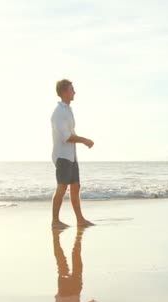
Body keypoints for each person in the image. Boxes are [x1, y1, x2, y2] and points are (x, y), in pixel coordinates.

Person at [51, 79, 95, 228]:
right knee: (62, 188)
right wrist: (84, 140)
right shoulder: (58, 113)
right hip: (62, 156)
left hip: (72, 156)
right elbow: (66, 137)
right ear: (64, 92)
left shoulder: (67, 110)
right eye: (71, 89)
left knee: (75, 187)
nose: (74, 92)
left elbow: (70, 133)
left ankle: (80, 220)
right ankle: (55, 221)